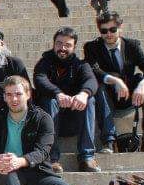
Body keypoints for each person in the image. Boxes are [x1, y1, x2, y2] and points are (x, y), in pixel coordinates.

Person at [83, 12, 144, 153]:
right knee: (98, 85)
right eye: (104, 31)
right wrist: (115, 80)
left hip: (131, 95)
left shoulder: (131, 45)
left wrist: (142, 84)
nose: (108, 34)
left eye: (112, 30)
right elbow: (93, 69)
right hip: (107, 96)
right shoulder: (92, 47)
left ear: (120, 27)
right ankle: (108, 141)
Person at [33, 27, 101, 173]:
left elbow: (92, 81)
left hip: (74, 120)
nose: (62, 48)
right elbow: (39, 80)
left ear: (74, 47)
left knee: (89, 100)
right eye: (59, 43)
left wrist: (83, 94)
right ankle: (51, 159)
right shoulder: (44, 63)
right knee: (50, 101)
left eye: (67, 45)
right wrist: (57, 93)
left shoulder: (81, 65)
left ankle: (87, 157)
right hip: (49, 119)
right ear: (53, 44)